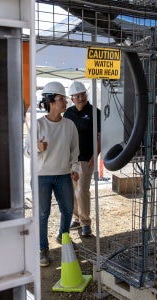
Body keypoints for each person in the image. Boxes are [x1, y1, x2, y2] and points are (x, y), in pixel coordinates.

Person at [24, 81, 80, 267]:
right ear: (50, 101)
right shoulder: (38, 125)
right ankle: (42, 250)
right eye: (61, 98)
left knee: (67, 210)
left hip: (64, 175)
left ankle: (64, 238)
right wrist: (37, 148)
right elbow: (26, 150)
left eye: (64, 98)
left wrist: (75, 168)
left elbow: (75, 151)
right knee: (42, 214)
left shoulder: (69, 125)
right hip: (41, 177)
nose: (65, 102)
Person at [63, 81, 101, 237]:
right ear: (71, 98)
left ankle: (86, 222)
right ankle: (76, 218)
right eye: (77, 95)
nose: (80, 98)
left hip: (86, 158)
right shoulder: (68, 113)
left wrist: (95, 155)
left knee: (82, 191)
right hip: (70, 159)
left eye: (83, 94)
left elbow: (100, 137)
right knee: (72, 191)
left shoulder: (94, 112)